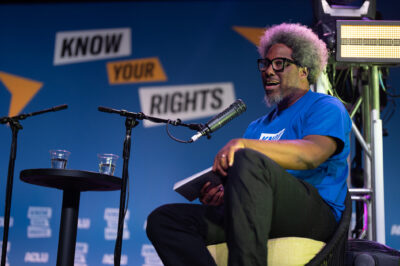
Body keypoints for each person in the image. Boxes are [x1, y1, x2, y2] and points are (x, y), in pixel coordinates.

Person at [146, 23, 352, 266]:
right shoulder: (258, 126)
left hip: (314, 213)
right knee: (165, 219)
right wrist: (224, 195)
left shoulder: (325, 107)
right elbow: (249, 183)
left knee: (247, 158)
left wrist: (246, 147)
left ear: (304, 70)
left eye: (279, 64)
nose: (268, 71)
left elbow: (311, 155)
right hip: (261, 213)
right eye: (265, 64)